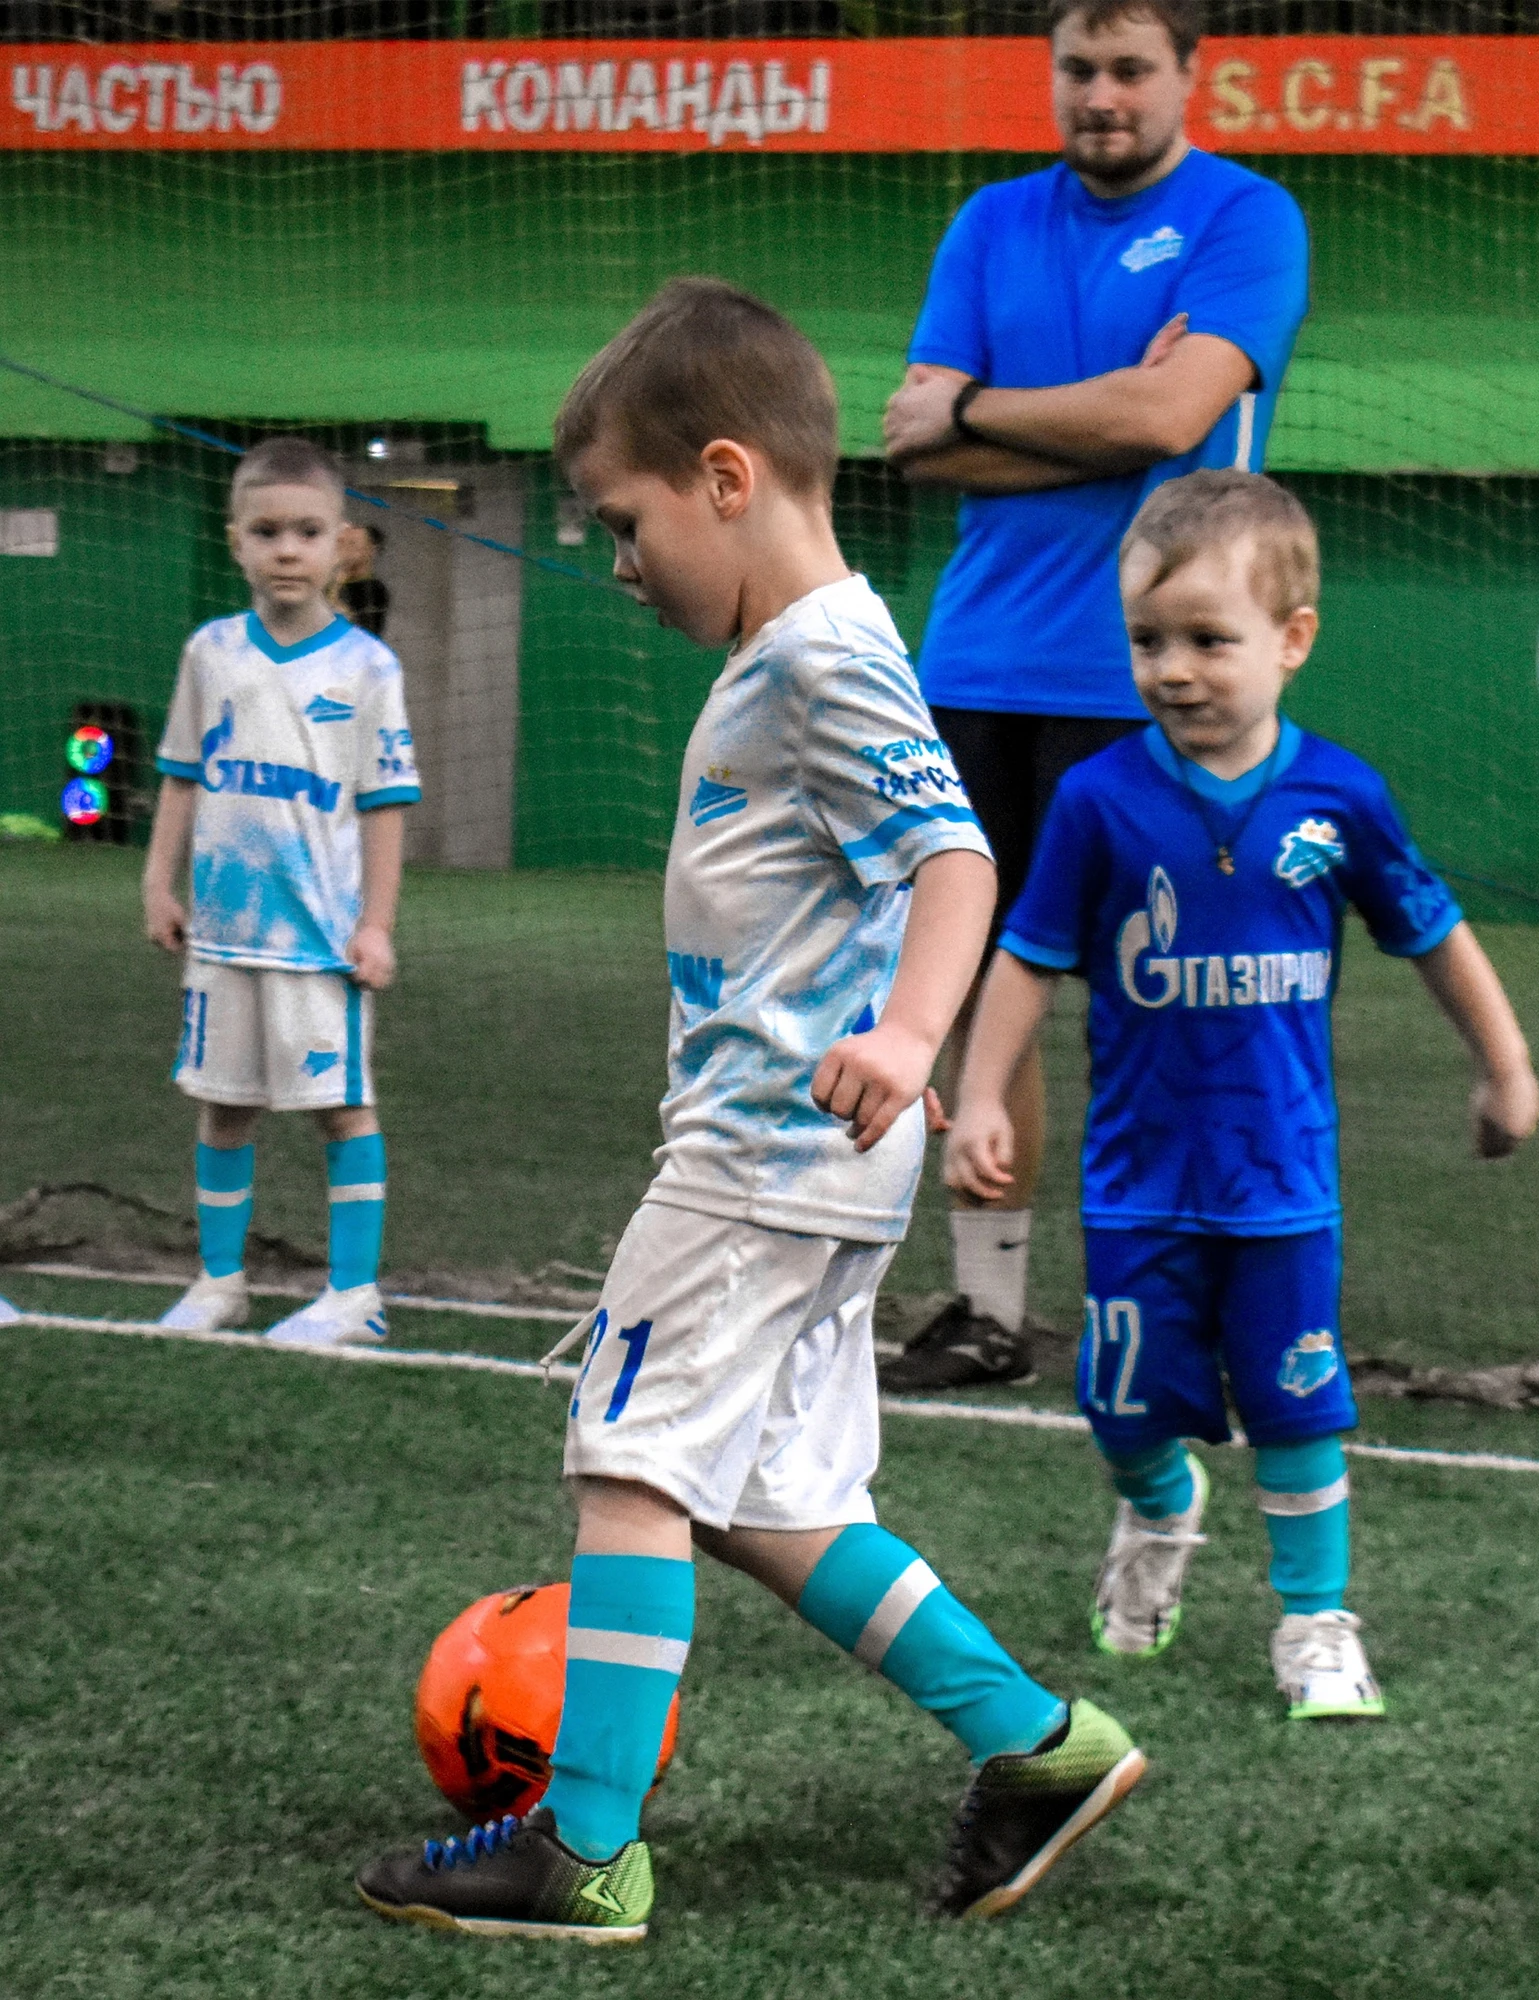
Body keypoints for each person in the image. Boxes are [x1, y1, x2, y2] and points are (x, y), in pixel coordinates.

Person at [356, 280, 1145, 1942]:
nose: (616, 560)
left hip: (763, 1159)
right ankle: (1035, 1743)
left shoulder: (820, 659)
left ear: (727, 478)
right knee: (778, 1503)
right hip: (810, 1165)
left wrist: (914, 1036)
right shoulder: (798, 656)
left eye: (621, 521)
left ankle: (582, 1847)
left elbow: (956, 859)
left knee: (629, 1463)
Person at [945, 469, 1539, 1717]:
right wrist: (984, 1090)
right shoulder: (1097, 799)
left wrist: (1504, 1067)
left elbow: (1432, 931)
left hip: (1281, 1181)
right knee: (1119, 1406)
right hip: (1137, 1182)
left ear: (1292, 638)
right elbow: (1028, 954)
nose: (1173, 670)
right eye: (1146, 640)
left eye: (1208, 639)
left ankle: (1315, 1620)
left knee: (1296, 1404)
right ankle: (1160, 1508)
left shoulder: (1340, 799)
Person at [879, 0, 1309, 1390]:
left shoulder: (1249, 218)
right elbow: (915, 442)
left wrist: (987, 407)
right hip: (974, 668)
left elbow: (1169, 422)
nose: (1101, 94)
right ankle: (989, 1311)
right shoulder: (990, 222)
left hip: (1160, 679)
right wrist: (1105, 408)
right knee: (972, 992)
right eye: (1079, 68)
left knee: (1181, 1005)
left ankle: (1207, 1310)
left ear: (1188, 75)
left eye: (1130, 69)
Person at [142, 436, 421, 1347]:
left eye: (307, 531)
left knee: (342, 1109)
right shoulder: (210, 653)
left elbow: (384, 806)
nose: (287, 550)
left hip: (318, 939)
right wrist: (157, 882)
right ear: (236, 543)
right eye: (267, 533)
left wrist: (376, 926)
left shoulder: (369, 669)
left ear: (343, 543)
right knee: (224, 1106)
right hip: (223, 934)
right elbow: (181, 777)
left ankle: (354, 1295)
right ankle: (219, 1282)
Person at [337, 522, 391, 639]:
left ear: (371, 550)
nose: (347, 550)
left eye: (353, 544)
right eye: (345, 544)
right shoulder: (331, 580)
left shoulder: (374, 592)